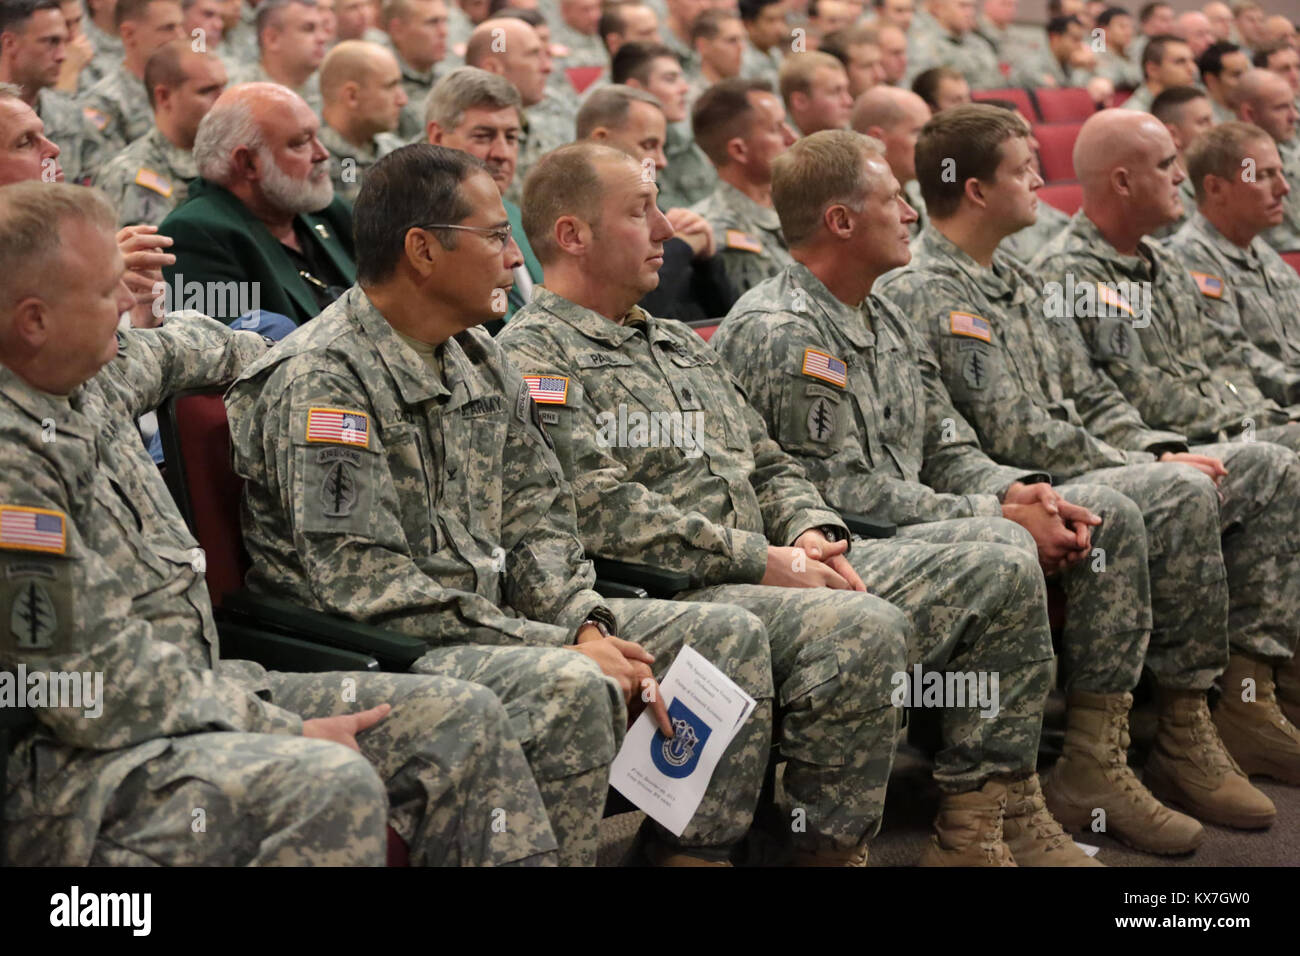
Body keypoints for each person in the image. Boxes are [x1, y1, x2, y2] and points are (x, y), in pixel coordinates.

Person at [500, 139, 1089, 867]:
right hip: (679, 587)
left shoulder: (677, 343)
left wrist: (809, 530)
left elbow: (771, 460)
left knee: (999, 570)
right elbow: (601, 512)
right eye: (640, 212)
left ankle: (979, 825)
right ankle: (823, 853)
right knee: (861, 627)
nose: (664, 229)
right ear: (572, 236)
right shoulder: (533, 356)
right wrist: (764, 558)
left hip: (768, 564)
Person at [226, 143, 777, 868]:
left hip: (491, 624)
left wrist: (583, 619)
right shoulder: (325, 381)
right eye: (493, 236)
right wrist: (559, 646)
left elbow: (540, 519)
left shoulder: (478, 357)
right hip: (374, 648)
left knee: (723, 640)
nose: (516, 257)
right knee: (574, 686)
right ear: (422, 250)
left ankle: (688, 858)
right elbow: (365, 590)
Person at [0, 179, 562, 867]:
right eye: (105, 291)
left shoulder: (92, 376)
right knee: (325, 782)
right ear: (33, 321)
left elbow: (192, 344)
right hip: (79, 764)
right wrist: (283, 725)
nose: (127, 305)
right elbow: (97, 685)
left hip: (200, 689)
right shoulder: (11, 462)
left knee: (462, 719)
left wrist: (298, 360)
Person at [714, 127, 1234, 860]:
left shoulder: (880, 311)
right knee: (1001, 551)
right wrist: (994, 515)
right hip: (837, 547)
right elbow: (834, 490)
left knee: (1095, 515)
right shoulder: (784, 332)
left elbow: (948, 446)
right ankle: (980, 813)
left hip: (911, 527)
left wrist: (1023, 492)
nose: (912, 214)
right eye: (894, 200)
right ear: (840, 221)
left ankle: (1060, 777)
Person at [1029, 107, 1300, 795]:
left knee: (1276, 450)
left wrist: (1264, 412)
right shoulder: (1066, 275)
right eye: (1165, 166)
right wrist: (1163, 452)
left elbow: (1214, 366)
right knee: (1270, 459)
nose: (1181, 176)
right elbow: (1107, 398)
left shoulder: (1160, 266)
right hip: (1126, 455)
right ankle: (1197, 717)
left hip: (1191, 437)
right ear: (1122, 180)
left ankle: (1259, 686)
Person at [161, 82, 356, 324]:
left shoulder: (326, 210)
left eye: (317, 137)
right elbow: (235, 355)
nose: (322, 153)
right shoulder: (192, 235)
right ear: (247, 163)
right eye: (300, 143)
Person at [576, 84, 735, 321]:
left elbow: (728, 320)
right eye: (649, 146)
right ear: (601, 141)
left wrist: (707, 263)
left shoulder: (662, 218)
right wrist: (682, 246)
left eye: (663, 148)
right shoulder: (579, 225)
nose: (661, 161)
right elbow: (626, 316)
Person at [425, 65, 539, 321]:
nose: (502, 153)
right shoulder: (426, 227)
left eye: (511, 138)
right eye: (483, 136)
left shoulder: (517, 217)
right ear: (438, 136)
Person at [93, 42, 227, 226]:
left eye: (223, 87)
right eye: (206, 91)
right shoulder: (134, 173)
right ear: (163, 97)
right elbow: (156, 252)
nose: (224, 101)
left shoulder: (230, 159)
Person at [690, 78, 796, 293]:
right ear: (739, 150)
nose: (792, 137)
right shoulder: (719, 231)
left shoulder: (799, 205)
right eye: (776, 129)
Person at [0, 0, 106, 183]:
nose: (62, 56)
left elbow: (96, 194)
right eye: (51, 42)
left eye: (64, 42)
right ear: (10, 43)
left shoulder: (73, 117)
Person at [613, 41, 715, 210]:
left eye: (681, 78)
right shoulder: (622, 155)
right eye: (670, 79)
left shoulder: (684, 141)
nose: (684, 88)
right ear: (635, 89)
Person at [79, 0, 183, 154]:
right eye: (168, 28)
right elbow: (109, 173)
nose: (181, 37)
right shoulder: (105, 101)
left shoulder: (186, 87)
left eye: (181, 26)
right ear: (129, 34)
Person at [317, 39, 405, 204]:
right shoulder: (314, 162)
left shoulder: (395, 150)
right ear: (352, 96)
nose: (402, 100)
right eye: (390, 87)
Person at [1233, 68, 1299, 253]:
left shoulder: (1286, 153)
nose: (1294, 116)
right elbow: (1268, 238)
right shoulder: (1243, 163)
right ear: (1250, 114)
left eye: (1293, 106)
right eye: (1281, 108)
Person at [227, 0, 328, 113]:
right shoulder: (237, 94)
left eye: (322, 28)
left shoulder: (328, 91)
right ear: (272, 39)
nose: (322, 38)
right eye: (308, 29)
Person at [1148, 85, 1213, 238]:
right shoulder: (1160, 193)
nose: (1213, 129)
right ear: (1173, 134)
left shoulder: (1216, 177)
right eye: (1203, 122)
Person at [381, 0, 450, 140]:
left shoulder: (448, 78)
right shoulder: (377, 80)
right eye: (432, 22)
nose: (444, 32)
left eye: (445, 21)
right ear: (397, 30)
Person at [779, 50, 852, 136]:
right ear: (800, 101)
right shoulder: (780, 145)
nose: (848, 102)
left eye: (846, 90)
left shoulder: (848, 134)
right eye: (835, 92)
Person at [1121, 33, 1197, 113]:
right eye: (1180, 62)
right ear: (1152, 70)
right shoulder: (1133, 115)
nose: (1193, 69)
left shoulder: (1184, 106)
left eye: (1192, 61)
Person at [1199, 40, 1252, 123]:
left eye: (1248, 73)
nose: (1247, 81)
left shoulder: (1257, 106)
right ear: (1211, 81)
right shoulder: (1204, 118)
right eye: (1237, 75)